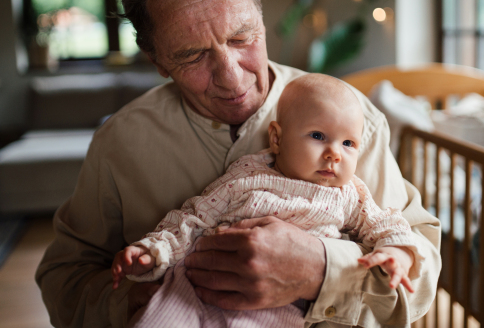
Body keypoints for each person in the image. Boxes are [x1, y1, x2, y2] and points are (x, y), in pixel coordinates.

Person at [35, 0, 441, 328]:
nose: (232, 77)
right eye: (192, 55)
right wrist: (139, 301)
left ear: (260, 11)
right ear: (157, 61)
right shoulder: (119, 144)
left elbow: (421, 269)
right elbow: (63, 278)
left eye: (242, 37)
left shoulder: (353, 121)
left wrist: (323, 272)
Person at [112, 74, 423, 327]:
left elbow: (385, 223)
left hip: (278, 305)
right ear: (277, 138)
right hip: (196, 285)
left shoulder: (349, 195)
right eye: (318, 136)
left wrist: (397, 252)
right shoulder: (248, 174)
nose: (334, 153)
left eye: (348, 143)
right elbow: (196, 216)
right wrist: (154, 250)